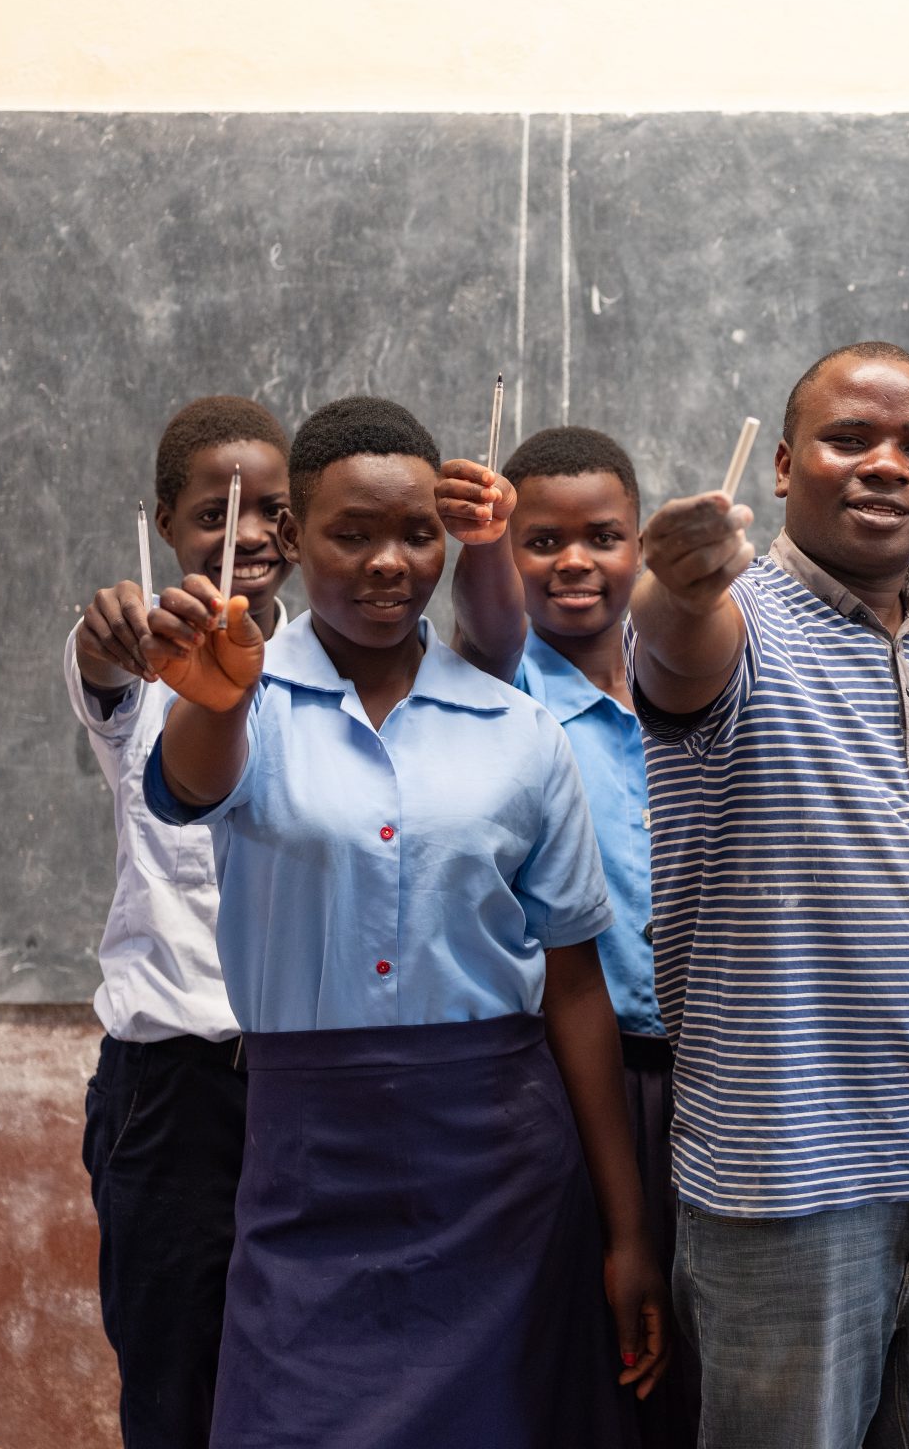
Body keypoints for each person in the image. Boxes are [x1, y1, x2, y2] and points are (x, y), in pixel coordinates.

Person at [142, 395, 666, 1447]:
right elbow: (187, 792)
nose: (389, 562)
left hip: (499, 1162)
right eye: (351, 534)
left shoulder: (519, 729)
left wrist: (626, 1232)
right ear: (294, 538)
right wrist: (217, 699)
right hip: (309, 1154)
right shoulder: (239, 694)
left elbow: (574, 987)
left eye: (417, 533)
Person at [629, 342, 909, 1448]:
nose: (884, 465)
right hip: (784, 1185)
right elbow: (676, 650)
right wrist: (673, 580)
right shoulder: (738, 620)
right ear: (779, 465)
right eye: (847, 438)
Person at [443, 422, 702, 1447]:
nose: (575, 563)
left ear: (640, 542)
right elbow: (487, 622)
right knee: (597, 1364)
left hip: (721, 1078)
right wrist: (477, 550)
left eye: (604, 536)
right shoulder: (496, 695)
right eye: (538, 542)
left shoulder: (698, 680)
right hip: (574, 1080)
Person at [70, 395, 288, 1449]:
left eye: (273, 514)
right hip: (172, 1085)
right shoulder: (145, 663)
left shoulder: (335, 662)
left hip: (311, 1080)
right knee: (176, 1391)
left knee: (312, 1375)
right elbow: (100, 662)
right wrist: (106, 633)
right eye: (214, 514)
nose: (245, 535)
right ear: (164, 523)